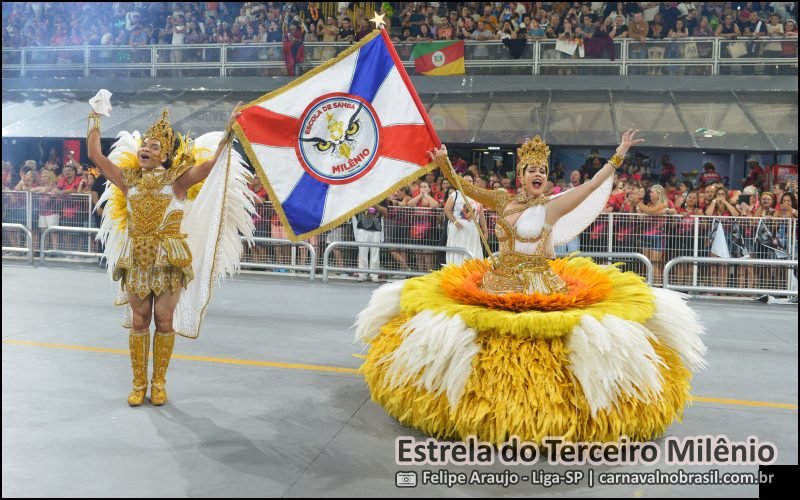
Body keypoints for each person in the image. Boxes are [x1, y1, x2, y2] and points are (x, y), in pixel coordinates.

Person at [354, 131, 706, 445]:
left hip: (537, 282)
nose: (538, 174)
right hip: (498, 280)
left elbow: (590, 186)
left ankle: (541, 403)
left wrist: (619, 155)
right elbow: (464, 188)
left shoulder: (551, 207)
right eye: (532, 170)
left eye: (542, 170)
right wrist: (444, 162)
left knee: (536, 339)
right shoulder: (501, 200)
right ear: (521, 175)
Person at [87, 91, 254, 407]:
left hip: (168, 260)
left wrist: (229, 131)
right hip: (137, 259)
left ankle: (159, 383)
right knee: (140, 321)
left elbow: (210, 166)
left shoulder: (177, 181)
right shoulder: (128, 180)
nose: (145, 149)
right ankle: (138, 384)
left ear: (164, 155)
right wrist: (95, 115)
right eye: (144, 145)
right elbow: (96, 155)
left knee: (163, 321)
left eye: (153, 146)